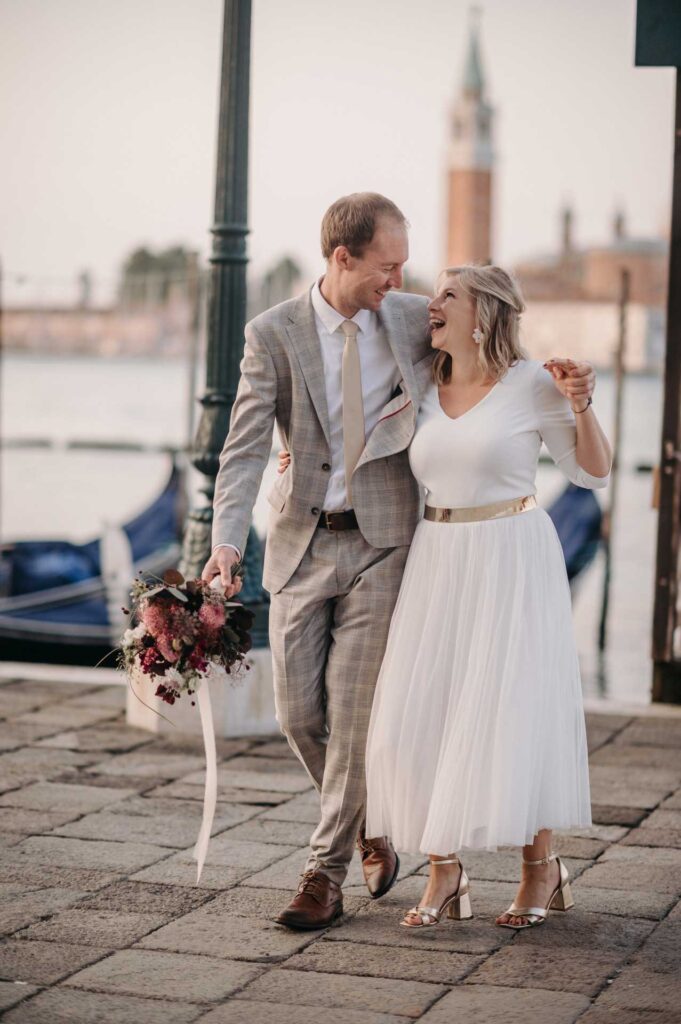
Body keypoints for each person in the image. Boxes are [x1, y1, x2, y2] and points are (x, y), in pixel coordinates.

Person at [201, 192, 436, 929]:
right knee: (297, 715)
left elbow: (485, 359)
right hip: (299, 543)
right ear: (343, 257)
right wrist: (225, 540)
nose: (395, 280)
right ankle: (366, 825)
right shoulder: (272, 333)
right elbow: (241, 450)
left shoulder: (409, 318)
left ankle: (321, 873)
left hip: (383, 542)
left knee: (355, 716)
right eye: (385, 266)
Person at [362, 263, 611, 931]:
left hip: (511, 556)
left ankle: (540, 871)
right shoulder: (420, 382)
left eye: (447, 294)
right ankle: (445, 871)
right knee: (413, 716)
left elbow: (591, 472)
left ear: (482, 315)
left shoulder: (532, 384)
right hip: (435, 557)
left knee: (512, 710)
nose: (430, 304)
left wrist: (581, 402)